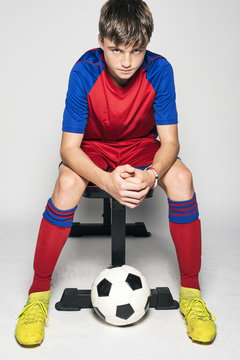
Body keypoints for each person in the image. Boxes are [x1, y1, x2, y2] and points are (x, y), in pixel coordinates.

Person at [15, 0, 216, 347]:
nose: (126, 61)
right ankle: (37, 295)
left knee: (181, 178)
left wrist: (152, 175)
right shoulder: (84, 70)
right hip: (94, 146)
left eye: (137, 51)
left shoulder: (160, 70)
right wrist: (107, 180)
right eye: (116, 50)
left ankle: (192, 292)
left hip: (140, 145)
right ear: (100, 41)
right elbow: (68, 149)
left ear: (147, 46)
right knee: (65, 182)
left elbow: (169, 142)